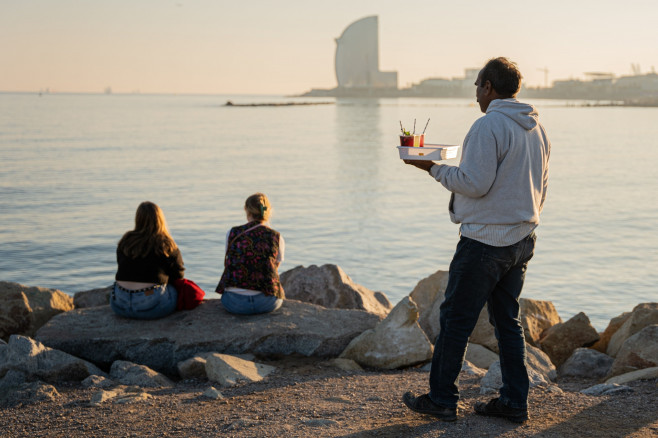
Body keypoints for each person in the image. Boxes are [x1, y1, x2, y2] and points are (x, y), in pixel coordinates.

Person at [402, 57, 551, 423]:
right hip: (521, 238)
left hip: (486, 242)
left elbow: (474, 183)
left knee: (455, 320)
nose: (476, 94)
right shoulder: (537, 127)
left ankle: (441, 399)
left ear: (488, 87)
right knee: (507, 323)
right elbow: (541, 186)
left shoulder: (489, 126)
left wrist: (432, 167)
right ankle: (514, 402)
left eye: (477, 86)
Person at [111, 201, 184, 319]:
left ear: (137, 219)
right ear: (160, 219)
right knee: (172, 289)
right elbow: (178, 274)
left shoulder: (126, 240)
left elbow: (121, 265)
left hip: (119, 303)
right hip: (151, 305)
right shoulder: (166, 244)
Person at [216, 193, 285, 315]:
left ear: (246, 210)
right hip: (266, 302)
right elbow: (275, 267)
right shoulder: (276, 236)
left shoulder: (232, 233)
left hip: (234, 303)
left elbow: (229, 261)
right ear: (268, 211)